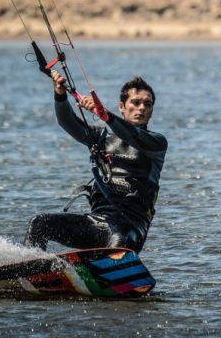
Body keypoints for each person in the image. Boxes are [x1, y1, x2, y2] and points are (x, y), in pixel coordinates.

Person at [24, 70, 167, 253]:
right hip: (97, 222)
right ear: (122, 106)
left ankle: (110, 273)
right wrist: (60, 95)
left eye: (147, 104)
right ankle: (32, 269)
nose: (141, 108)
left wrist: (104, 114)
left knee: (118, 237)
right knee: (40, 223)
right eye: (136, 102)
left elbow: (132, 135)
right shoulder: (101, 137)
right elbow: (68, 122)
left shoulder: (156, 143)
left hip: (130, 229)